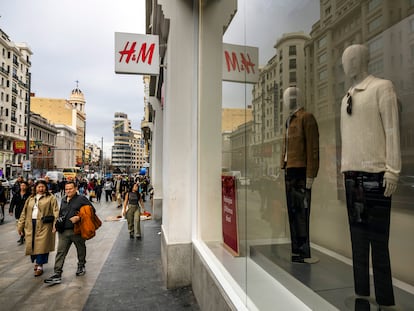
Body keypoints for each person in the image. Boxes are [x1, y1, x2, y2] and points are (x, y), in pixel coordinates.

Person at [340, 44, 401, 307]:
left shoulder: (382, 88)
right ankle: (361, 292)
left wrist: (393, 170)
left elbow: (391, 129)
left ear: (359, 61)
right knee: (357, 239)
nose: (345, 64)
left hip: (376, 175)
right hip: (352, 175)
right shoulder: (346, 97)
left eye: (348, 59)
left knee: (378, 241)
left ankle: (386, 299)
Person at [280, 86, 319, 263]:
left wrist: (311, 174)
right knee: (292, 211)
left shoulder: (306, 118)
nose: (285, 101)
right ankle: (296, 251)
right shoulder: (289, 121)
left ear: (295, 98)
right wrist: (282, 164)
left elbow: (313, 148)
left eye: (287, 98)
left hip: (301, 172)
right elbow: (286, 146)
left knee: (302, 213)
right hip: (289, 171)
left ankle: (304, 251)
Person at [44, 181, 93, 284]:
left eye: (70, 189)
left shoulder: (81, 199)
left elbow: (92, 210)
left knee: (80, 249)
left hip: (77, 230)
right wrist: (56, 225)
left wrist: (79, 217)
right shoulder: (63, 200)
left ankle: (81, 265)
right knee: (60, 252)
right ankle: (57, 273)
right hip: (63, 231)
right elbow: (61, 214)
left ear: (75, 189)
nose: (68, 191)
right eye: (66, 189)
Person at [16, 180, 59, 276]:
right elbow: (24, 213)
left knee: (42, 245)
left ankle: (40, 265)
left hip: (44, 225)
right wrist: (20, 226)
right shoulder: (30, 198)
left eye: (43, 187)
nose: (41, 189)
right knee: (32, 244)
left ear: (46, 188)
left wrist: (55, 225)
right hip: (31, 224)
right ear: (35, 188)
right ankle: (36, 261)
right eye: (39, 187)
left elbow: (56, 212)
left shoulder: (51, 198)